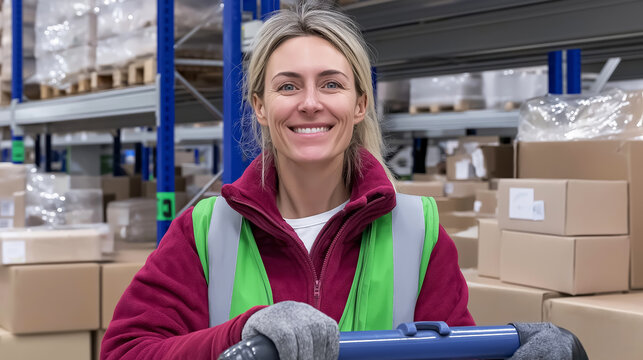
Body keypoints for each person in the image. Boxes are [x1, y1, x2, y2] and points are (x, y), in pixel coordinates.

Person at [101, 3, 585, 360]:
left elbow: (450, 354)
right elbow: (125, 351)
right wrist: (240, 335)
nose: (310, 103)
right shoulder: (206, 230)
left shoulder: (418, 229)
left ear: (359, 104)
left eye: (331, 84)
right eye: (288, 86)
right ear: (260, 107)